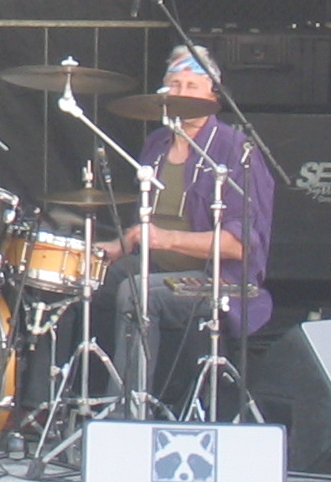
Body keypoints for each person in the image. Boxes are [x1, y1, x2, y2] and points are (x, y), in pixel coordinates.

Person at [98, 48, 274, 407]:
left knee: (136, 292)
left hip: (219, 279)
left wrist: (168, 239)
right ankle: (57, 402)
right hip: (157, 266)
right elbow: (148, 224)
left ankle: (128, 410)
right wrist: (117, 246)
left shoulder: (235, 149)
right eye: (175, 85)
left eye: (192, 86)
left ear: (214, 95)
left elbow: (240, 244)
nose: (182, 94)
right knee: (88, 279)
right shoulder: (156, 144)